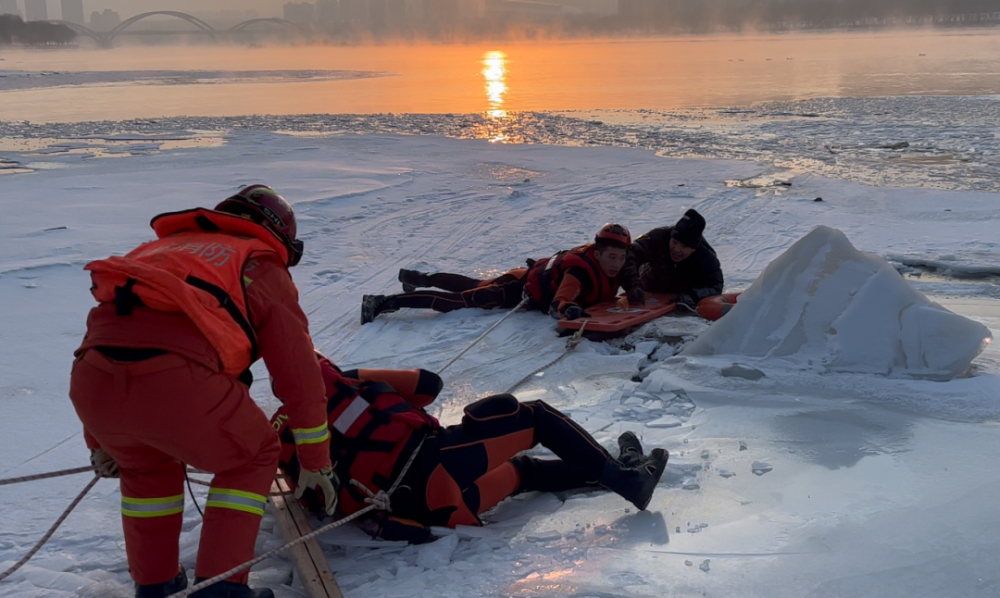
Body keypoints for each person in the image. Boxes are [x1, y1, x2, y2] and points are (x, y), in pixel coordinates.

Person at [68, 185, 339, 598]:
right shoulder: (257, 263)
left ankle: (156, 587)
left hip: (92, 385)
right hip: (179, 382)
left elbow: (106, 339)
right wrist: (316, 461)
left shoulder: (159, 251)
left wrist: (101, 442)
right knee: (254, 454)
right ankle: (221, 590)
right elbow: (299, 375)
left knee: (147, 469)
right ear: (280, 236)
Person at [272, 352, 669, 543]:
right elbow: (428, 384)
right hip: (436, 471)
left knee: (523, 471)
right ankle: (626, 479)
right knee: (537, 417)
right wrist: (356, 376)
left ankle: (613, 468)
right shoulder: (334, 381)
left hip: (426, 513)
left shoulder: (283, 442)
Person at [360, 223, 633, 324]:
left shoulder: (615, 267)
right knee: (460, 300)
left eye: (621, 257)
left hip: (523, 276)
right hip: (515, 289)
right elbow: (560, 302)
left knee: (471, 284)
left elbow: (632, 276)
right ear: (597, 253)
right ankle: (382, 302)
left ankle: (417, 278)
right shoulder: (580, 272)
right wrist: (569, 310)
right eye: (611, 257)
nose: (616, 263)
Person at [619, 209, 724, 309]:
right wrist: (633, 285)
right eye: (674, 242)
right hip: (649, 285)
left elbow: (716, 285)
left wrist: (692, 296)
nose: (676, 249)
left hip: (683, 293)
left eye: (684, 246)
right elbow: (630, 254)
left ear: (694, 249)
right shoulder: (658, 238)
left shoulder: (706, 257)